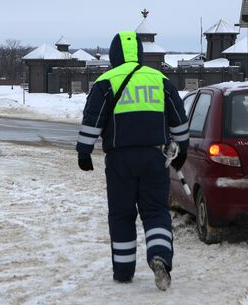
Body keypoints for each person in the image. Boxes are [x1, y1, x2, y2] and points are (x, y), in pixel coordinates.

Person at [76, 31, 189, 291]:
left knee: (121, 215)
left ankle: (124, 272)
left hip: (119, 161)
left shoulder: (105, 82)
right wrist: (182, 149)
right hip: (154, 157)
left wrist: (84, 152)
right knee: (156, 212)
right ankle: (160, 255)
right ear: (138, 52)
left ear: (114, 54)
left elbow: (93, 120)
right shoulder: (159, 80)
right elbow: (178, 119)